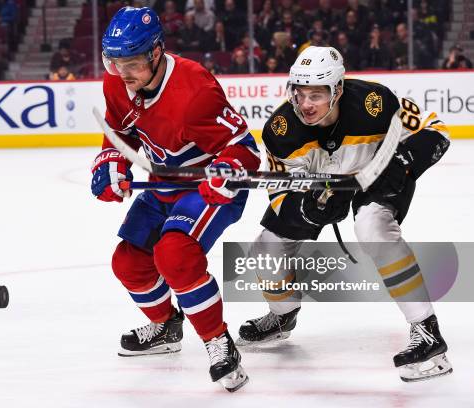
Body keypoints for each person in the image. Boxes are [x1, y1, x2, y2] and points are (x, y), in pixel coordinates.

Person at [236, 46, 452, 383]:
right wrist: (308, 210)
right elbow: (280, 194)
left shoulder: (374, 102)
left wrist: (405, 161)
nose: (305, 104)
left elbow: (435, 130)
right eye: (299, 93)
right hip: (319, 187)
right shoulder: (280, 130)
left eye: (317, 95)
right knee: (265, 251)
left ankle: (427, 331)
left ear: (337, 90)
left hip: (379, 174)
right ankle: (282, 315)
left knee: (373, 228)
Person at [92, 6, 260, 392]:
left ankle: (219, 341)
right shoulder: (117, 81)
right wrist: (112, 162)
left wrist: (227, 170)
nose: (122, 73)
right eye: (114, 62)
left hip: (208, 189)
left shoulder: (195, 90)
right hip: (164, 184)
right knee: (128, 263)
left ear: (155, 53)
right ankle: (166, 327)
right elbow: (121, 131)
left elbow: (245, 149)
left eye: (131, 62)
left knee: (175, 255)